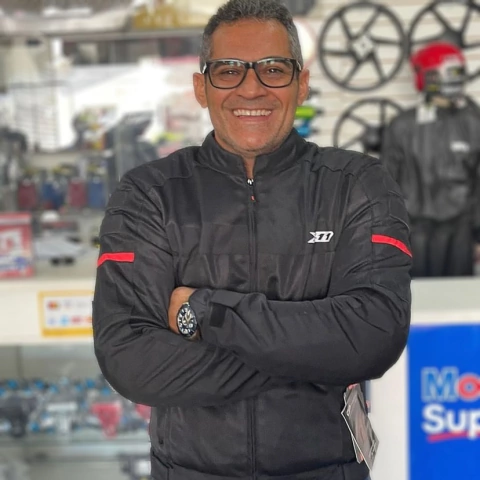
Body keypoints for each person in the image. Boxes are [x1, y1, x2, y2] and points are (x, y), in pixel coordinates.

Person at [92, 1, 412, 479]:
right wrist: (313, 358)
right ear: (201, 87)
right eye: (228, 70)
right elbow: (129, 360)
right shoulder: (149, 193)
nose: (251, 87)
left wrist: (204, 310)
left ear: (301, 83)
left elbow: (374, 336)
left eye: (273, 69)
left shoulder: (357, 184)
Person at [381, 41, 480, 277]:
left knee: (456, 296)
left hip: (460, 231)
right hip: (414, 231)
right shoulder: (402, 126)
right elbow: (385, 186)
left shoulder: (473, 123)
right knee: (417, 295)